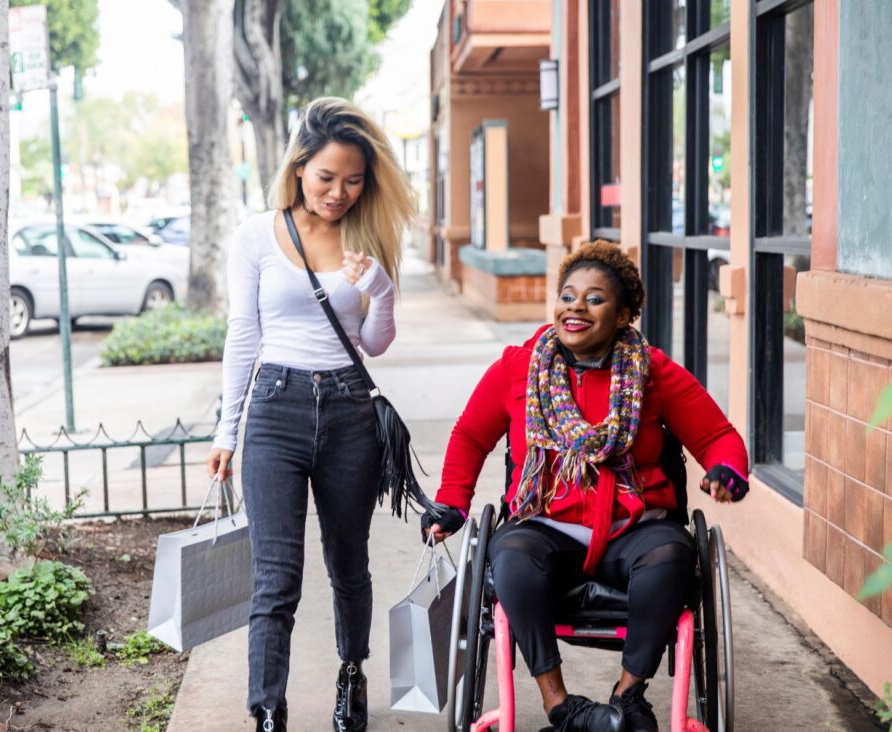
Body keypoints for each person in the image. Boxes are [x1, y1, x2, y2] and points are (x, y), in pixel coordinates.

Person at [423, 241, 749, 732]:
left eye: (594, 299)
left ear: (623, 315)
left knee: (672, 556)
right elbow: (470, 435)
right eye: (568, 295)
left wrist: (727, 470)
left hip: (633, 527)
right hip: (544, 522)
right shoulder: (518, 367)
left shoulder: (653, 372)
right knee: (509, 557)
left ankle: (628, 697)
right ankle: (562, 707)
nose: (575, 306)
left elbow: (718, 437)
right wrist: (451, 501)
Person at [206, 97, 415, 732]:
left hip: (350, 411)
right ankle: (267, 706)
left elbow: (375, 344)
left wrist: (378, 289)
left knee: (349, 563)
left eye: (354, 180)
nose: (340, 193)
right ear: (299, 167)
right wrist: (227, 428)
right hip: (275, 410)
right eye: (327, 177)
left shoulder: (369, 235)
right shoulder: (256, 234)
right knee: (276, 577)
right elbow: (243, 334)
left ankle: (351, 676)